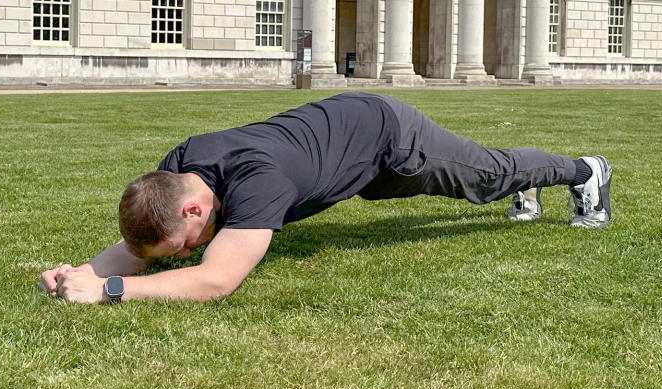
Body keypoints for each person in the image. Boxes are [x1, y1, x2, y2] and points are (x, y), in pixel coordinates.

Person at [39, 92, 611, 304]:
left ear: (195, 208)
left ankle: (587, 172)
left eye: (182, 243)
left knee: (483, 176)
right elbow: (141, 246)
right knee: (480, 180)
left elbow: (216, 281)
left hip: (386, 135)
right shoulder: (179, 172)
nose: (182, 253)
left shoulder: (255, 182)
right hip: (348, 155)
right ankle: (522, 183)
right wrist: (79, 272)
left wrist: (110, 290)